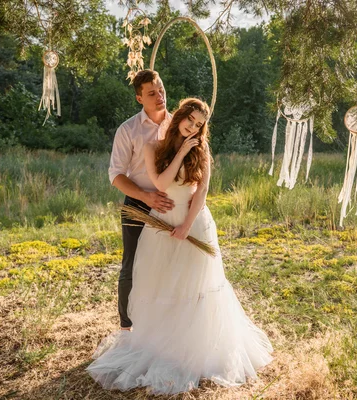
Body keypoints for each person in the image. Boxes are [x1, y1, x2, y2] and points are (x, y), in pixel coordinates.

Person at [87, 98, 273, 394]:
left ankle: (195, 349)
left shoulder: (203, 150)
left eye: (199, 125)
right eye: (191, 119)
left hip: (194, 222)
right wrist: (182, 150)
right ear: (180, 116)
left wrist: (187, 225)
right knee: (164, 284)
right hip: (161, 223)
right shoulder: (155, 147)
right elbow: (161, 184)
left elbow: (203, 191)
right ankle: (165, 347)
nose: (193, 127)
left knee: (195, 286)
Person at [108, 70, 174, 331]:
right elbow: (116, 175)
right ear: (139, 99)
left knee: (169, 265)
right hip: (138, 204)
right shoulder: (128, 130)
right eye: (151, 93)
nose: (160, 96)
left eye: (161, 89)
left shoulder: (177, 125)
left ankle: (161, 325)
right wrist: (146, 196)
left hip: (170, 206)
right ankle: (127, 328)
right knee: (132, 266)